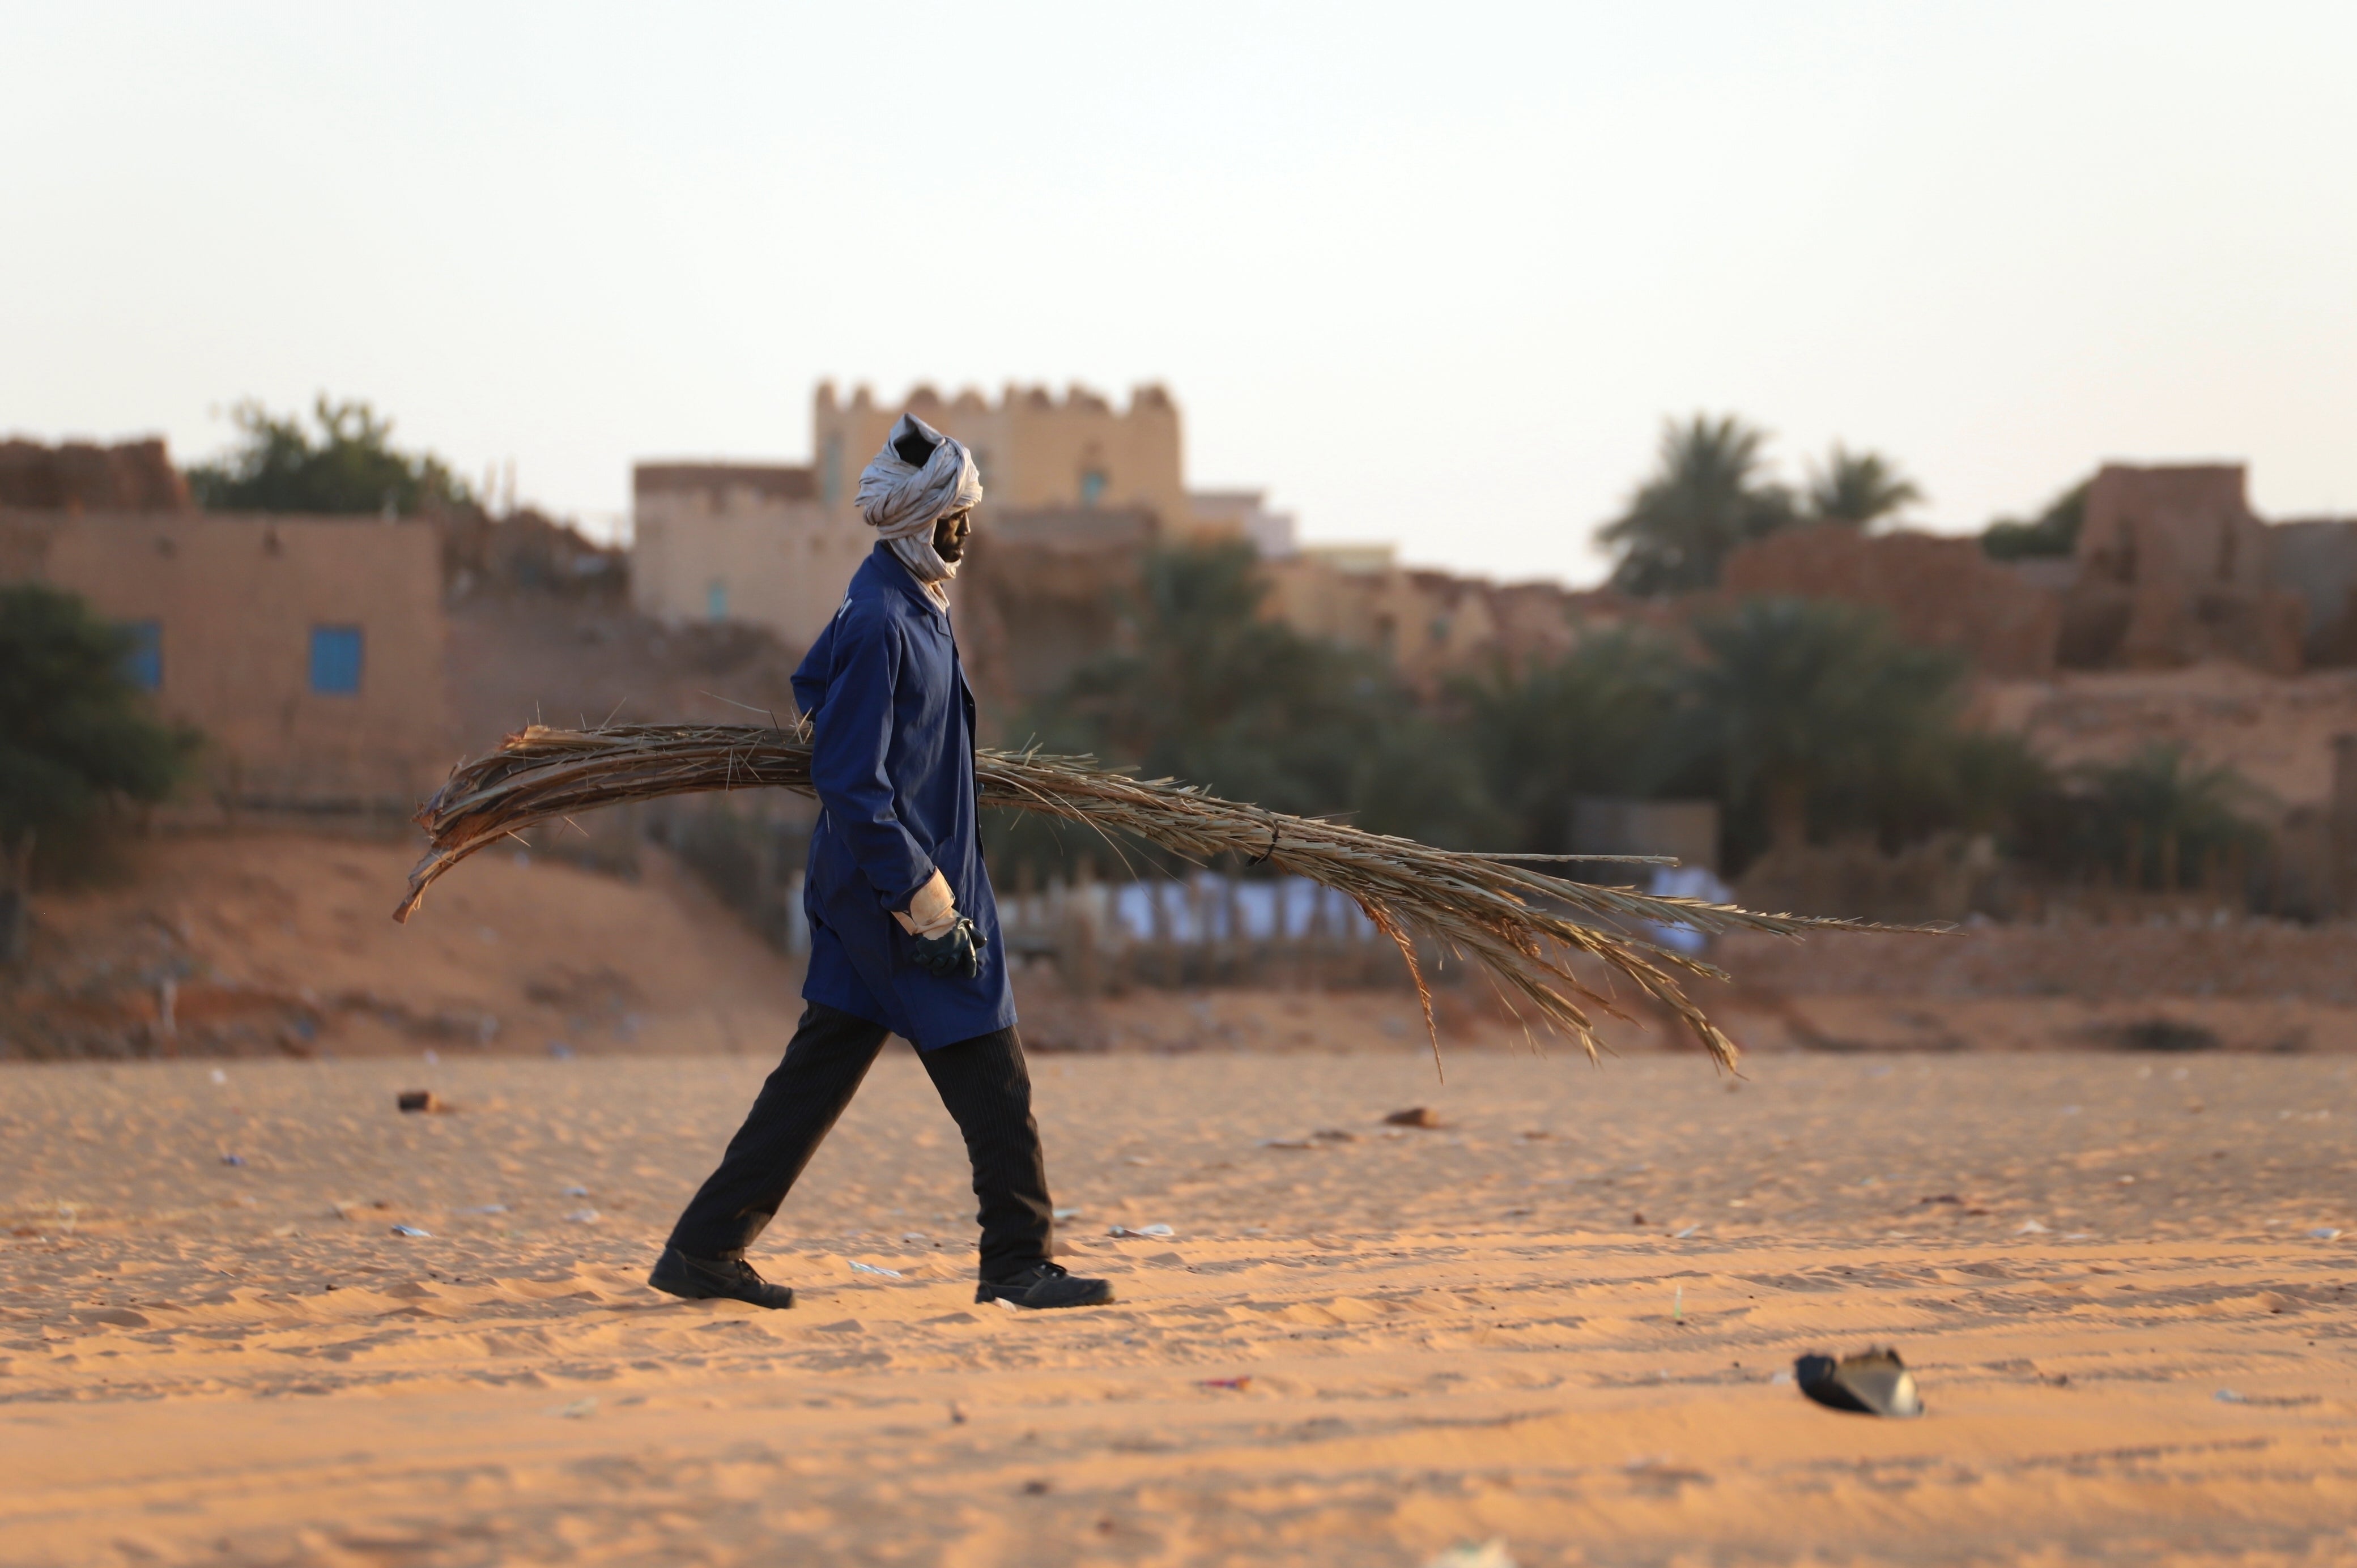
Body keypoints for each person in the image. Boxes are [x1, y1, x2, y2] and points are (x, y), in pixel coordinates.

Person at [648, 413, 1111, 1312]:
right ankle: (1017, 1261)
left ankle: (705, 1247)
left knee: (815, 1080)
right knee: (995, 1074)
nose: (964, 534)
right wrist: (925, 906)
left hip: (893, 889)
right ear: (917, 521)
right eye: (954, 518)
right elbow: (852, 781)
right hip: (895, 898)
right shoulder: (879, 620)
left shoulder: (913, 607)